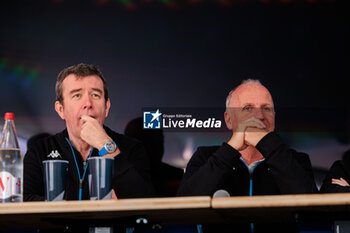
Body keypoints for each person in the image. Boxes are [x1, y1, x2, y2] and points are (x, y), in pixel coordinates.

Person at [177, 79, 318, 233]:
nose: (259, 116)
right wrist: (231, 149)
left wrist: (268, 145)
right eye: (248, 108)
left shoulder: (296, 160)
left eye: (266, 108)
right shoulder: (205, 156)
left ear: (274, 119)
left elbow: (311, 212)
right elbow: (183, 209)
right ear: (229, 120)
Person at [24, 64, 155, 202]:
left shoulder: (132, 148)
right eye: (77, 95)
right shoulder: (39, 151)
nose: (88, 103)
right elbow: (24, 204)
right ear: (61, 109)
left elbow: (144, 204)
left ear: (106, 107)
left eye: (95, 95)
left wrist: (105, 145)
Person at [124, 117, 183, 197]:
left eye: (160, 140)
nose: (160, 146)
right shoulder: (178, 178)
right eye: (155, 141)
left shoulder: (113, 178)